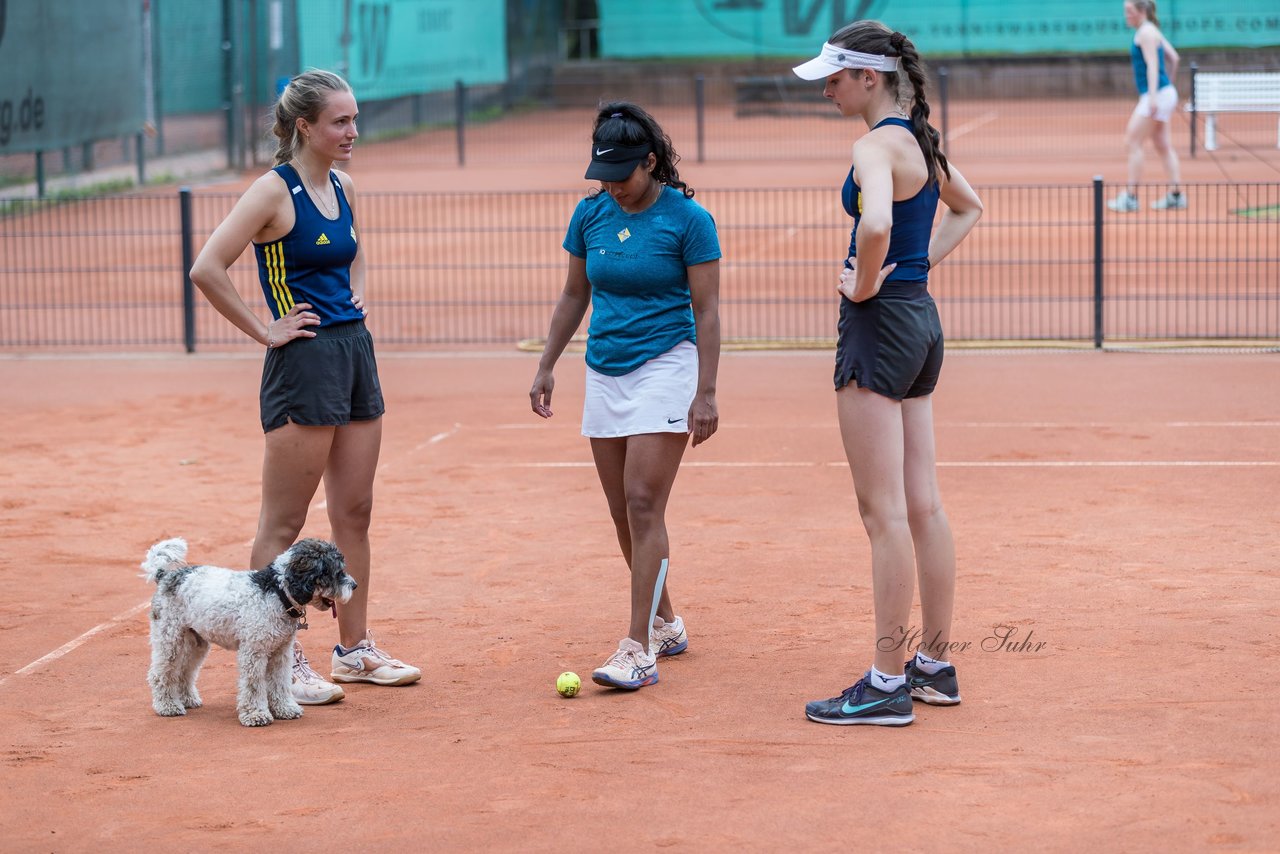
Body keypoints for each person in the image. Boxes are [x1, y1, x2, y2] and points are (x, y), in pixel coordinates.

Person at [189, 70, 420, 707]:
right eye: (340, 121)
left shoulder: (342, 184)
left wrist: (359, 299)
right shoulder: (271, 192)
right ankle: (280, 660)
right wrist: (266, 331)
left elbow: (353, 255)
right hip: (303, 364)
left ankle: (355, 650)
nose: (352, 131)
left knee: (355, 512)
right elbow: (207, 268)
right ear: (304, 128)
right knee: (286, 521)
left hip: (354, 355)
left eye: (353, 119)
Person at [792, 23, 983, 726]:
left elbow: (874, 227)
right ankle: (933, 666)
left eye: (835, 80)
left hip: (880, 330)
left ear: (869, 78)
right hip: (922, 325)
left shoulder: (874, 146)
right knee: (923, 505)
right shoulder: (922, 145)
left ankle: (885, 682)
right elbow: (970, 206)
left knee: (883, 515)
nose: (829, 92)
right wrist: (916, 270)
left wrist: (865, 286)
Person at [529, 102, 721, 691]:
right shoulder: (589, 215)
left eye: (621, 176)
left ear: (651, 162)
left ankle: (637, 648)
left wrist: (706, 393)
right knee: (621, 512)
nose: (611, 187)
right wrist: (547, 364)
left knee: (643, 502)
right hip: (604, 369)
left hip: (667, 364)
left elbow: (708, 311)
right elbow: (572, 295)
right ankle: (667, 622)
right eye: (602, 177)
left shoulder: (690, 220)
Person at [1108, 0, 1185, 212]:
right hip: (1162, 93)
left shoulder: (1146, 33)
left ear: (1141, 11)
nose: (1126, 15)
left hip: (1155, 95)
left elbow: (1153, 64)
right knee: (1162, 144)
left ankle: (1131, 198)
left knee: (1132, 141)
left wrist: (1154, 96)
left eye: (1129, 11)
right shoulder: (1152, 30)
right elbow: (1174, 59)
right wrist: (1167, 87)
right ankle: (1176, 196)